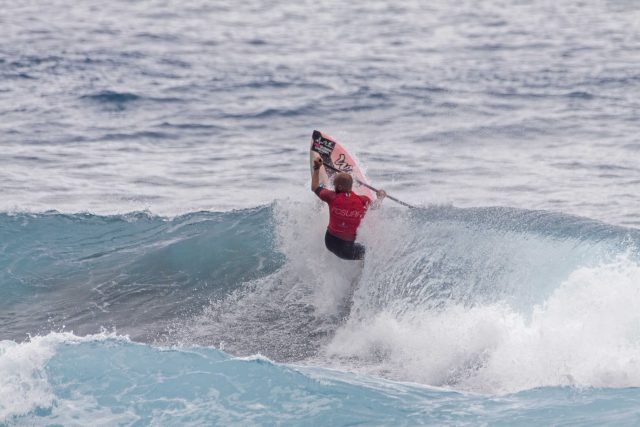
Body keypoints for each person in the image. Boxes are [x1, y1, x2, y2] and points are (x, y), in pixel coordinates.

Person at [311, 156, 386, 260]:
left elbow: (314, 187)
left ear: (340, 187)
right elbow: (376, 206)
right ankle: (364, 273)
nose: (333, 187)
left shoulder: (331, 196)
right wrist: (380, 197)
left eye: (335, 185)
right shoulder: (362, 200)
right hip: (347, 250)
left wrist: (316, 168)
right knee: (370, 253)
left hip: (329, 242)